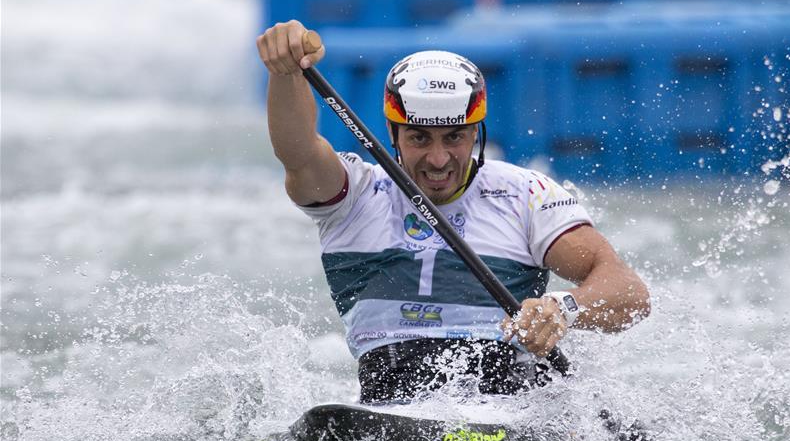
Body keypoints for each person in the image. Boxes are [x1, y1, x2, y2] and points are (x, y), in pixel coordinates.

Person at [257, 21, 651, 403]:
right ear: (392, 133)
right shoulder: (354, 195)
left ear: (476, 132)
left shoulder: (526, 195)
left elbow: (630, 292)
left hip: (512, 406)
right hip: (388, 403)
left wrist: (563, 308)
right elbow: (298, 152)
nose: (438, 158)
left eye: (454, 137)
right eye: (419, 138)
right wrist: (286, 72)